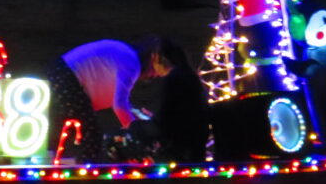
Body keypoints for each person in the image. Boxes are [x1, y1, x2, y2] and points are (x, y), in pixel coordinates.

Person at [46, 36, 208, 163]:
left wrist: (134, 119)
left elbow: (121, 102)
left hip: (64, 72)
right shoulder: (131, 63)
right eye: (164, 67)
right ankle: (86, 175)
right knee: (92, 134)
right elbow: (119, 105)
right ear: (154, 57)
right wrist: (137, 133)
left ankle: (83, 167)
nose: (158, 75)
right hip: (67, 75)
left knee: (85, 129)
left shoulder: (127, 58)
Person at [128, 35, 210, 163]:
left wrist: (136, 126)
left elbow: (166, 125)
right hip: (194, 148)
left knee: (125, 137)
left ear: (156, 57)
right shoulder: (189, 77)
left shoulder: (174, 79)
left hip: (178, 151)